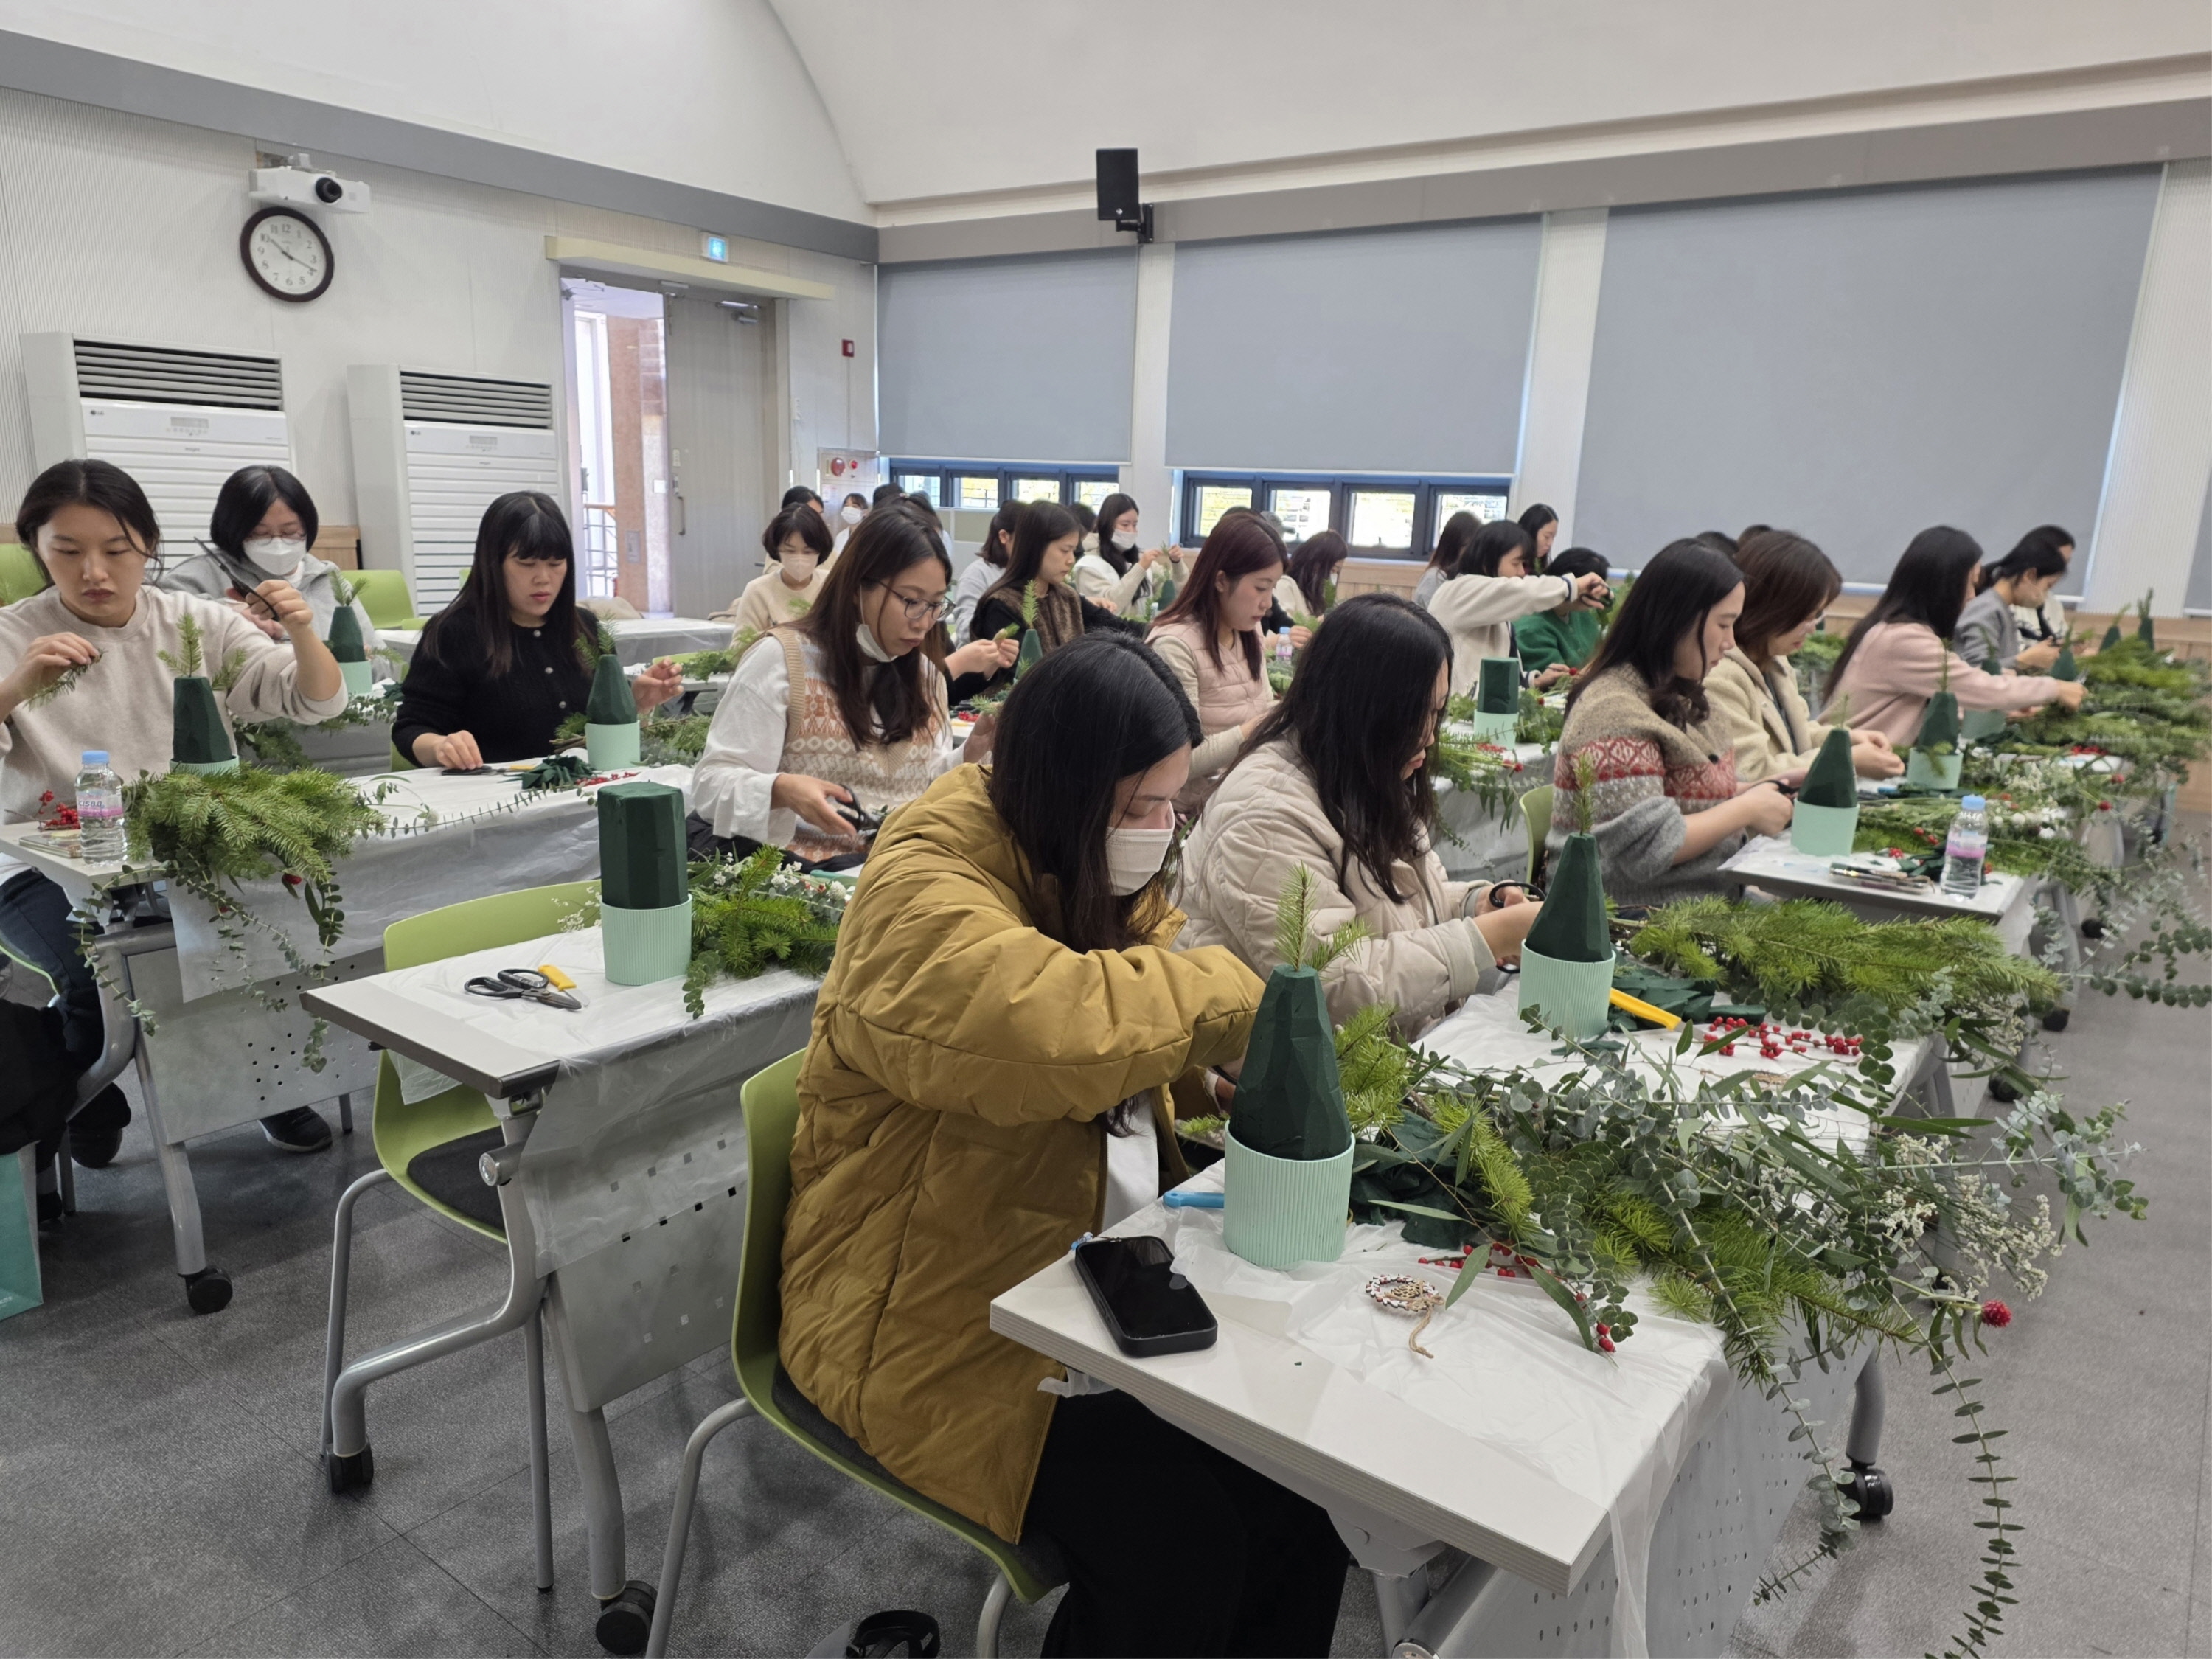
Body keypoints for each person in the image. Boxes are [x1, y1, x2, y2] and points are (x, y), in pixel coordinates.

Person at [777, 631, 1348, 1657]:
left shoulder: (1071, 856)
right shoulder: (920, 876)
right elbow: (1045, 1025)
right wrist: (1234, 999)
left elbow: (1130, 1013)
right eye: (1137, 806)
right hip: (925, 1318)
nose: (1158, 830)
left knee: (1304, 1502)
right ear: (1063, 785)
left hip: (1083, 1280)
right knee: (1180, 1549)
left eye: (1172, 803)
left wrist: (1201, 1079)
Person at [0, 459, 349, 1162]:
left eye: (117, 551)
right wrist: (17, 687)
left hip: (180, 849)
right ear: (36, 548)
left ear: (150, 547)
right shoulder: (13, 634)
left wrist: (304, 632)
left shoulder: (196, 622)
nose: (94, 571)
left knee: (260, 947)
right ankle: (88, 1093)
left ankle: (268, 1088)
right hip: (41, 863)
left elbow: (315, 699)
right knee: (93, 981)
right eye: (67, 551)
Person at [1179, 594, 1542, 1037]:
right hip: (1296, 1074)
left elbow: (1403, 905)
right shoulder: (1265, 814)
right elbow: (1334, 986)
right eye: (1415, 717)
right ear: (1362, 710)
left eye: (1436, 714)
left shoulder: (1361, 771)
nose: (1429, 739)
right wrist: (1489, 937)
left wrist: (1476, 904)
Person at [691, 502, 1012, 866]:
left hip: (899, 870)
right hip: (804, 881)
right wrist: (782, 790)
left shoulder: (924, 675)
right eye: (911, 601)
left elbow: (922, 786)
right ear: (859, 586)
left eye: (936, 604)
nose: (925, 622)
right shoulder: (783, 660)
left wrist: (968, 756)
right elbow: (711, 785)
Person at [1552, 540, 1796, 906]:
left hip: (1704, 901)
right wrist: (1747, 809)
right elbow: (1650, 847)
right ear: (1676, 620)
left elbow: (1690, 802)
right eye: (1724, 625)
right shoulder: (1612, 709)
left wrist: (1765, 789)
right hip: (1632, 921)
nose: (1730, 643)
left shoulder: (1686, 695)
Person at [393, 492, 682, 768]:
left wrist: (632, 704)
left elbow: (598, 733)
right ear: (493, 563)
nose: (543, 578)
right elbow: (412, 728)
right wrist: (441, 746)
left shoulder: (586, 628)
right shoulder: (454, 633)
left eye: (556, 563)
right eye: (526, 563)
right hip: (497, 805)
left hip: (583, 799)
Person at [1823, 527, 2083, 746]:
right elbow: (1976, 685)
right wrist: (2053, 688)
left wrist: (2005, 707)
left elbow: (1937, 698)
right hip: (1855, 769)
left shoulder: (1903, 631)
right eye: (1969, 583)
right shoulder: (1904, 639)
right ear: (1943, 584)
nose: (1972, 595)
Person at [1705, 530, 1902, 783]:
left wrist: (1844, 740)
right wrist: (1846, 759)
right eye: (1806, 616)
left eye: (1817, 616)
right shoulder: (1719, 676)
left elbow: (1795, 734)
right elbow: (1750, 772)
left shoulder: (1774, 660)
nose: (1812, 628)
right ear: (1773, 609)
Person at [1144, 512, 1284, 813]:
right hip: (1191, 813)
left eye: (1273, 588)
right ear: (1221, 580)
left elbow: (1259, 706)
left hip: (1246, 795)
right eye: (1261, 587)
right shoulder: (1175, 645)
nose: (1268, 602)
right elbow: (1178, 762)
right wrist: (1260, 726)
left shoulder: (1248, 628)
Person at [161, 464, 379, 651]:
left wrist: (362, 659)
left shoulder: (328, 578)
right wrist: (225, 615)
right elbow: (156, 623)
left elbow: (385, 665)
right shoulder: (199, 575)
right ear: (233, 529)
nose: (277, 543)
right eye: (260, 533)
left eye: (290, 532)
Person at [954, 501, 1135, 703]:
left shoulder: (1066, 596)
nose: (1070, 560)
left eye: (1073, 551)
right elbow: (1025, 676)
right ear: (1036, 548)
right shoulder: (1001, 604)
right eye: (1064, 550)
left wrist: (1159, 630)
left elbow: (1113, 625)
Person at [1430, 520, 1607, 697]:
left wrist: (1534, 681)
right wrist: (1573, 585)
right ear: (1487, 561)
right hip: (1452, 716)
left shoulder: (1495, 608)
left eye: (1525, 565)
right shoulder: (1458, 592)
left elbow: (1498, 673)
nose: (1522, 573)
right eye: (1516, 564)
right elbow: (1522, 591)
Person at [1957, 535, 2069, 672]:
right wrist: (2025, 660)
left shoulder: (2000, 607)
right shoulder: (1987, 609)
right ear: (2029, 575)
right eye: (2048, 586)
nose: (2045, 596)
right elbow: (1975, 672)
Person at [730, 504, 832, 641]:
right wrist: (777, 636)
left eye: (808, 552)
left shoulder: (832, 585)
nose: (799, 558)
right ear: (777, 549)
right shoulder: (758, 590)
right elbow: (739, 648)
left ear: (820, 551)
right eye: (790, 551)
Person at [1073, 491, 1176, 615]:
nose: (1131, 531)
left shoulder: (1140, 559)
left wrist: (1177, 563)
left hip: (1141, 631)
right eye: (1125, 524)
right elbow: (1110, 608)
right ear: (1107, 525)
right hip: (1109, 633)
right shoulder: (1089, 566)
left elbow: (1173, 590)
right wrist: (1140, 569)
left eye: (1135, 525)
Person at [1513, 547, 1610, 675]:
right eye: (1594, 587)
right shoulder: (1532, 629)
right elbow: (1559, 682)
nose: (1599, 594)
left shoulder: (1579, 611)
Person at [948, 500, 1022, 644]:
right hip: (982, 661)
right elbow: (966, 630)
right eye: (1026, 539)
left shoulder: (1031, 574)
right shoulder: (978, 574)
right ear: (1004, 537)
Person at [2000, 524, 2074, 644]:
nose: (2060, 569)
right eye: (2058, 561)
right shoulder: (2003, 600)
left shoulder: (2052, 602)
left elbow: (2065, 638)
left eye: (2065, 563)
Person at [1412, 509, 1481, 609]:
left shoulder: (1467, 575)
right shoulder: (1435, 578)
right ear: (1454, 545)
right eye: (1469, 547)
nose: (1474, 553)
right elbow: (1436, 618)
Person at [1279, 529, 1348, 619]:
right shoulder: (1285, 585)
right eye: (1333, 570)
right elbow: (1283, 629)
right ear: (1317, 564)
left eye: (1337, 572)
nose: (1333, 575)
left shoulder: (1317, 592)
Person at [827, 490, 869, 560]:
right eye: (846, 506)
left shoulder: (870, 535)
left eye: (854, 506)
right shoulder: (840, 536)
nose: (849, 509)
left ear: (864, 512)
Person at [1517, 502, 1559, 568]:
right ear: (1531, 531)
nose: (1550, 543)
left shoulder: (1541, 567)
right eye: (1547, 537)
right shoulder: (1516, 568)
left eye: (1553, 537)